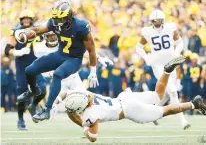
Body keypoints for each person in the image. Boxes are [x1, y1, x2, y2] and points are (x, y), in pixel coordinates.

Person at [64, 56, 206, 142]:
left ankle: (194, 104)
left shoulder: (90, 115)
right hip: (125, 97)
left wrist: (84, 129)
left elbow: (93, 137)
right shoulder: (87, 95)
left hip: (130, 110)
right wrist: (60, 100)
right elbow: (68, 94)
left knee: (165, 110)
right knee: (158, 95)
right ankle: (166, 71)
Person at [14, 1, 98, 121]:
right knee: (29, 70)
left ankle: (47, 110)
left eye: (61, 18)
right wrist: (23, 33)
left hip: (74, 59)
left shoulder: (81, 26)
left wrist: (93, 71)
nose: (58, 22)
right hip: (60, 54)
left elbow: (91, 49)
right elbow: (37, 30)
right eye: (56, 19)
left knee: (57, 74)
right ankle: (34, 91)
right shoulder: (54, 23)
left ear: (69, 16)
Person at [135, 9, 190, 129]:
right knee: (173, 91)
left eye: (159, 20)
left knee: (167, 93)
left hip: (171, 63)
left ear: (163, 20)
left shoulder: (170, 28)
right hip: (158, 65)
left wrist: (176, 52)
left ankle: (152, 114)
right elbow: (138, 48)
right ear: (151, 21)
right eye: (155, 20)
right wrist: (146, 57)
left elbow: (180, 42)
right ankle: (183, 120)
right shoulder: (147, 32)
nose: (157, 22)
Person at [3, 9, 46, 130]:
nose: (26, 20)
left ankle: (34, 105)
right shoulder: (15, 32)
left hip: (36, 65)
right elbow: (7, 51)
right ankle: (20, 119)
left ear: (32, 19)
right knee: (21, 95)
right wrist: (18, 51)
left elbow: (47, 43)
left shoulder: (39, 30)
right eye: (24, 18)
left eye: (28, 18)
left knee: (42, 89)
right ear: (21, 20)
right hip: (22, 67)